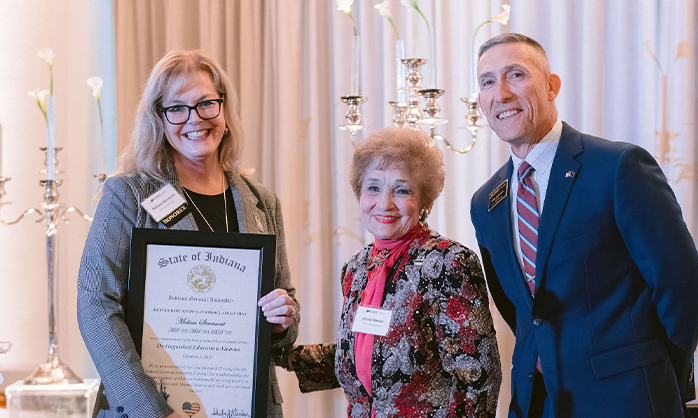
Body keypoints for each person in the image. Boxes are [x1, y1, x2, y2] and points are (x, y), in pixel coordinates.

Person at [470, 33, 698, 418]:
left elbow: (683, 287)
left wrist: (660, 374)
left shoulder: (618, 167)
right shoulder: (485, 202)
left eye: (516, 75)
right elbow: (522, 312)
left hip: (629, 401)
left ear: (551, 86)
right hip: (536, 405)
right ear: (480, 101)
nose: (502, 93)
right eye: (487, 81)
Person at [77, 49, 299, 418]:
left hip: (245, 406)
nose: (194, 119)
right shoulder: (130, 195)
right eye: (176, 108)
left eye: (206, 104)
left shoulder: (263, 202)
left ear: (224, 110)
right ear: (159, 119)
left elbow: (283, 309)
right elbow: (95, 304)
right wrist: (154, 411)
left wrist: (283, 318)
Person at [276, 127, 501, 417]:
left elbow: (479, 379)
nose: (384, 202)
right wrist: (270, 349)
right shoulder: (357, 268)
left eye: (402, 189)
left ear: (425, 201)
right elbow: (366, 356)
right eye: (373, 187)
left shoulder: (449, 263)